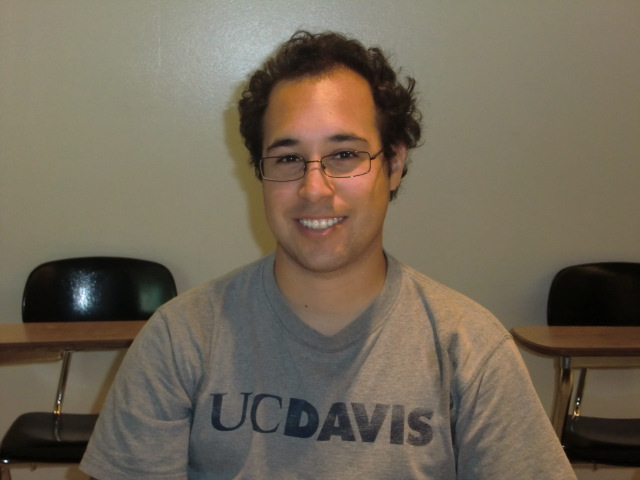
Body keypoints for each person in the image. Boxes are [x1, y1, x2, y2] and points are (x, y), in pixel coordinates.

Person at [80, 31, 576, 479]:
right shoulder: (180, 340)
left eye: (344, 155)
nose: (314, 188)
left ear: (393, 164)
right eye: (288, 158)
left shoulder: (470, 351)